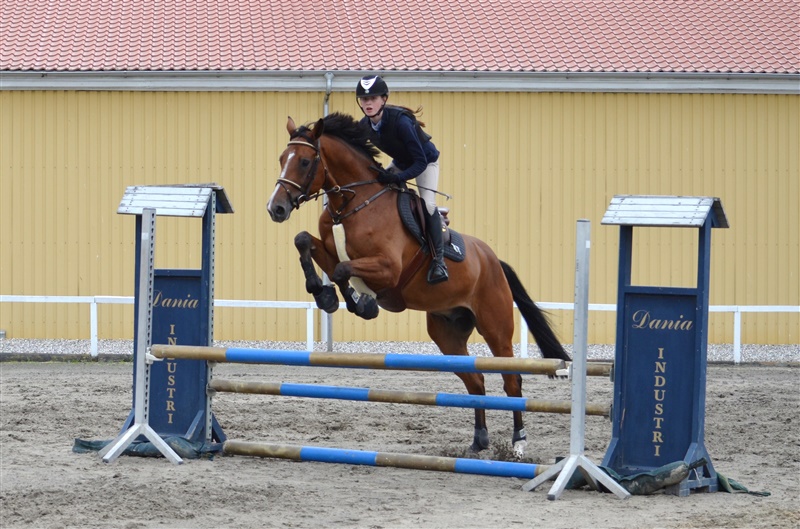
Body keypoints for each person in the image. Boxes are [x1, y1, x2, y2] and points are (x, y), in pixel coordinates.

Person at [355, 75, 448, 284]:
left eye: (373, 98)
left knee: (427, 204)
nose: (368, 103)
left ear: (384, 99)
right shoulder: (364, 126)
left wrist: (397, 177)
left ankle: (439, 262)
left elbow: (420, 162)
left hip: (426, 162)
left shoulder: (402, 122)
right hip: (401, 162)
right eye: (364, 99)